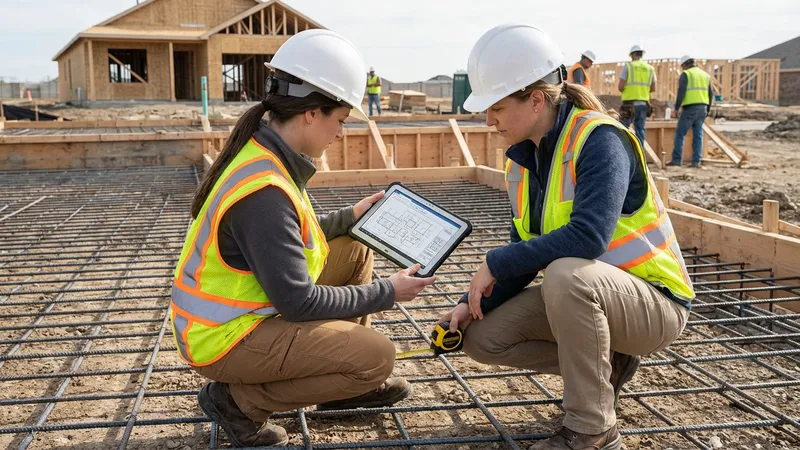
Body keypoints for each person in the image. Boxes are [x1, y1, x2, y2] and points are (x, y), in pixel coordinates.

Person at [170, 30, 435, 448]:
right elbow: (300, 303)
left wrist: (350, 218)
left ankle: (341, 392)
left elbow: (286, 240)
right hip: (223, 338)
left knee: (354, 245)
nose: (341, 134)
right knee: (378, 356)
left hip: (241, 312)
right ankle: (238, 401)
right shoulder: (264, 192)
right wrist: (390, 291)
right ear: (312, 113)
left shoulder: (266, 154)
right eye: (340, 120)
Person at [439, 24, 694, 450]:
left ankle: (593, 429)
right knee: (483, 337)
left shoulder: (599, 140)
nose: (489, 120)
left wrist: (494, 262)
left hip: (654, 303)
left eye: (497, 107)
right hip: (591, 299)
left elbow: (588, 237)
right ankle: (609, 362)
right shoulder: (522, 163)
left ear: (536, 99)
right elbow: (524, 252)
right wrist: (469, 306)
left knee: (565, 274)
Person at [668, 55, 714, 168]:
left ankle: (677, 160)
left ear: (684, 65)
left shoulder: (686, 74)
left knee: (680, 134)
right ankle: (696, 161)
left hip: (690, 108)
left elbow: (681, 93)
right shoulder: (705, 75)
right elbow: (711, 93)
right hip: (702, 108)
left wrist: (676, 109)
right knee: (698, 135)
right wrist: (708, 109)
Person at [618, 45, 656, 147]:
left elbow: (620, 87)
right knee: (640, 130)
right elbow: (653, 88)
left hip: (629, 104)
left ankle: (623, 154)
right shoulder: (650, 69)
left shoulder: (629, 66)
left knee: (623, 129)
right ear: (641, 55)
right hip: (643, 104)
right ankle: (640, 157)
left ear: (632, 55)